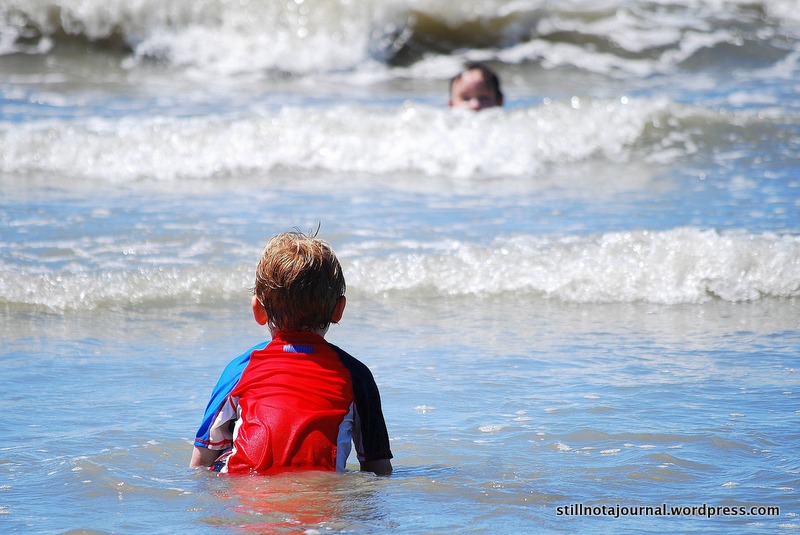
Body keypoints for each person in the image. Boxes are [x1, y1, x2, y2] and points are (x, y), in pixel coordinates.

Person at [189, 230, 393, 475]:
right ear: (339, 310)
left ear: (258, 310)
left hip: (246, 494)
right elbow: (378, 469)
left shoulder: (240, 368)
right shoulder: (356, 375)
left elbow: (199, 463)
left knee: (222, 457)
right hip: (322, 496)